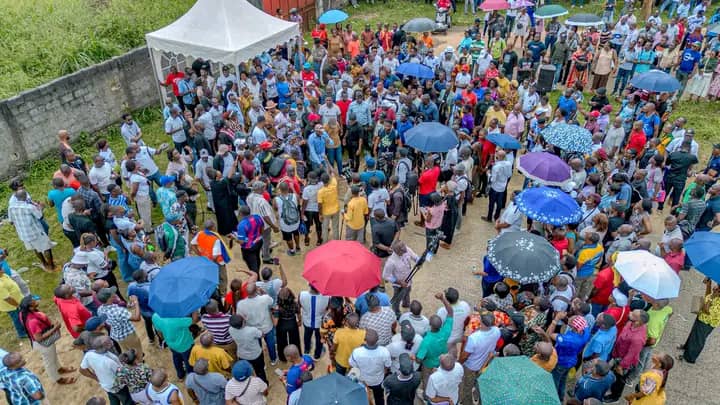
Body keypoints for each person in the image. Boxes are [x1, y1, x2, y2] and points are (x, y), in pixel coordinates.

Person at [18, 295, 77, 385]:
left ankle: (59, 369)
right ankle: (58, 379)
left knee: (53, 356)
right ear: (30, 307)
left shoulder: (23, 313)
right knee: (49, 362)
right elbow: (39, 338)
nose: (36, 301)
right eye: (34, 301)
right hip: (43, 344)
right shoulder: (32, 321)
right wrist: (55, 328)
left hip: (43, 341)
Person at [533, 314, 591, 400]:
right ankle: (561, 396)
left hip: (561, 362)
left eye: (571, 320)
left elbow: (549, 334)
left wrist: (555, 320)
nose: (569, 318)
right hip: (572, 360)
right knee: (563, 379)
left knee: (554, 381)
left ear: (574, 328)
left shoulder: (567, 339)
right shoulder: (586, 331)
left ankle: (553, 397)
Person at [459, 308, 501, 405]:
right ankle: (476, 393)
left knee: (467, 386)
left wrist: (459, 363)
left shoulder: (474, 338)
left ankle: (465, 402)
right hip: (484, 362)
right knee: (477, 381)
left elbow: (464, 356)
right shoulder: (497, 331)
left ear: (481, 322)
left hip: (471, 366)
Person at [8, 190, 56, 271]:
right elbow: (40, 217)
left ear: (16, 197)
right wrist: (41, 208)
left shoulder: (11, 207)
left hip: (24, 234)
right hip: (36, 232)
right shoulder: (29, 207)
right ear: (25, 196)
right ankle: (51, 267)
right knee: (46, 248)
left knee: (35, 248)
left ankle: (44, 263)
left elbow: (11, 222)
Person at [79, 336, 134, 405]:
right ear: (104, 346)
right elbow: (122, 373)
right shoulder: (108, 362)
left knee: (114, 400)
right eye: (109, 341)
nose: (112, 342)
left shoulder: (89, 354)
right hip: (118, 386)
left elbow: (82, 370)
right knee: (127, 401)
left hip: (106, 385)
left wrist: (95, 377)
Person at [235, 282, 278, 366]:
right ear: (256, 290)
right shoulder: (264, 298)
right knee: (270, 344)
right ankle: (273, 359)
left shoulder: (241, 304)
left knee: (258, 347)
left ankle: (263, 364)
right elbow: (271, 302)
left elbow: (240, 316)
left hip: (252, 329)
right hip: (267, 327)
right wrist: (263, 293)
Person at [416, 292, 454, 384]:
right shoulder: (445, 331)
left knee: (426, 379)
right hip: (442, 360)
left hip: (429, 364)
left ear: (430, 324)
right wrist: (442, 298)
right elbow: (450, 312)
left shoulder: (426, 341)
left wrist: (416, 357)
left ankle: (427, 391)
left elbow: (419, 359)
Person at [96, 287, 143, 361]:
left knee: (126, 352)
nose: (114, 294)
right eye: (112, 294)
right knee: (137, 352)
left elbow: (116, 316)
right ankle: (140, 363)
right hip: (128, 335)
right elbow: (137, 318)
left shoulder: (100, 309)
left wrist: (127, 307)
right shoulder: (118, 311)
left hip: (116, 335)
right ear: (109, 299)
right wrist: (136, 302)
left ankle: (131, 363)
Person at [680, 278, 720, 363]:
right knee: (694, 333)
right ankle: (687, 347)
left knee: (698, 339)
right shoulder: (717, 294)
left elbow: (706, 310)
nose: (716, 286)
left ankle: (689, 358)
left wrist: (713, 296)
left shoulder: (717, 297)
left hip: (707, 322)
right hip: (702, 317)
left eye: (718, 286)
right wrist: (708, 286)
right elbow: (707, 298)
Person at [349, 329, 391, 405]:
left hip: (363, 381)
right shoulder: (384, 351)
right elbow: (387, 366)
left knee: (365, 398)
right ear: (377, 340)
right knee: (379, 397)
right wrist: (383, 373)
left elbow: (353, 365)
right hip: (378, 380)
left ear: (365, 339)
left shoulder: (357, 352)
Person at [152, 312, 198, 380]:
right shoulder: (177, 318)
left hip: (171, 344)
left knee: (176, 358)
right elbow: (194, 320)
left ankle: (180, 375)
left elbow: (159, 332)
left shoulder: (155, 316)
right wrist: (194, 310)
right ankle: (191, 376)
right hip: (185, 344)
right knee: (188, 361)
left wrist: (165, 339)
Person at [191, 219, 232, 295]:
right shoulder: (215, 238)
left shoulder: (200, 234)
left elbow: (193, 244)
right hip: (217, 261)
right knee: (222, 278)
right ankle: (222, 294)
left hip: (205, 260)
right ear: (213, 227)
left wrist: (200, 254)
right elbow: (215, 256)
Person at [383, 240, 418, 316]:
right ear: (397, 251)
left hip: (409, 280)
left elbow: (414, 256)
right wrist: (399, 282)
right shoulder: (391, 262)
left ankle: (406, 303)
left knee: (407, 291)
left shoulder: (406, 249)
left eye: (405, 247)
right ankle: (396, 312)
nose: (405, 251)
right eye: (402, 251)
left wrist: (418, 260)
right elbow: (385, 275)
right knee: (397, 300)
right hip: (398, 286)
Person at [299, 284, 330, 360]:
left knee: (307, 336)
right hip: (319, 324)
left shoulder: (302, 294)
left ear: (309, 285)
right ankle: (317, 355)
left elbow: (299, 306)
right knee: (319, 339)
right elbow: (327, 309)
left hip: (307, 321)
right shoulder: (327, 297)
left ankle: (307, 350)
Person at [234, 205, 265, 274]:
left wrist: (234, 238)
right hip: (259, 242)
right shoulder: (257, 217)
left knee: (252, 265)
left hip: (249, 248)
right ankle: (257, 272)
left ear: (240, 213)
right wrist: (258, 236)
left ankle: (256, 277)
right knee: (257, 257)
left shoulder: (241, 225)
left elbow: (241, 241)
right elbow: (262, 227)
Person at [0, 268, 27, 339]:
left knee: (22, 314)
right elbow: (7, 298)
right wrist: (17, 305)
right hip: (11, 306)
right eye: (0, 269)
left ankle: (26, 326)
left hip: (18, 300)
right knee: (17, 318)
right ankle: (21, 333)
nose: (2, 269)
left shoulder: (4, 275)